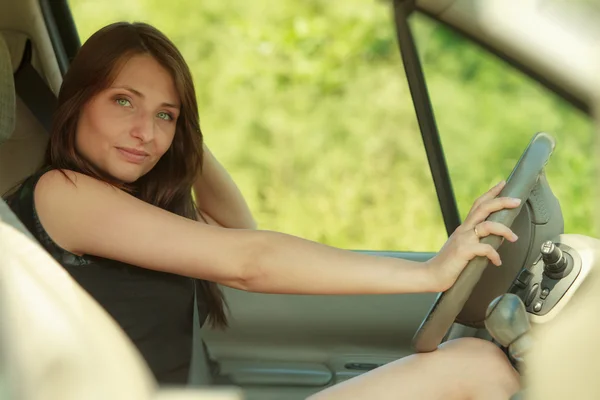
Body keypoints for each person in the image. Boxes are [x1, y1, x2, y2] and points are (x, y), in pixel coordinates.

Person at [4, 22, 521, 399]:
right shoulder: (62, 194)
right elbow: (249, 259)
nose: (146, 132)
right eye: (123, 101)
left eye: (165, 114)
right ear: (77, 102)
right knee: (479, 369)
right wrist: (429, 273)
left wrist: (183, 135)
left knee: (476, 363)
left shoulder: (126, 203)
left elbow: (235, 226)